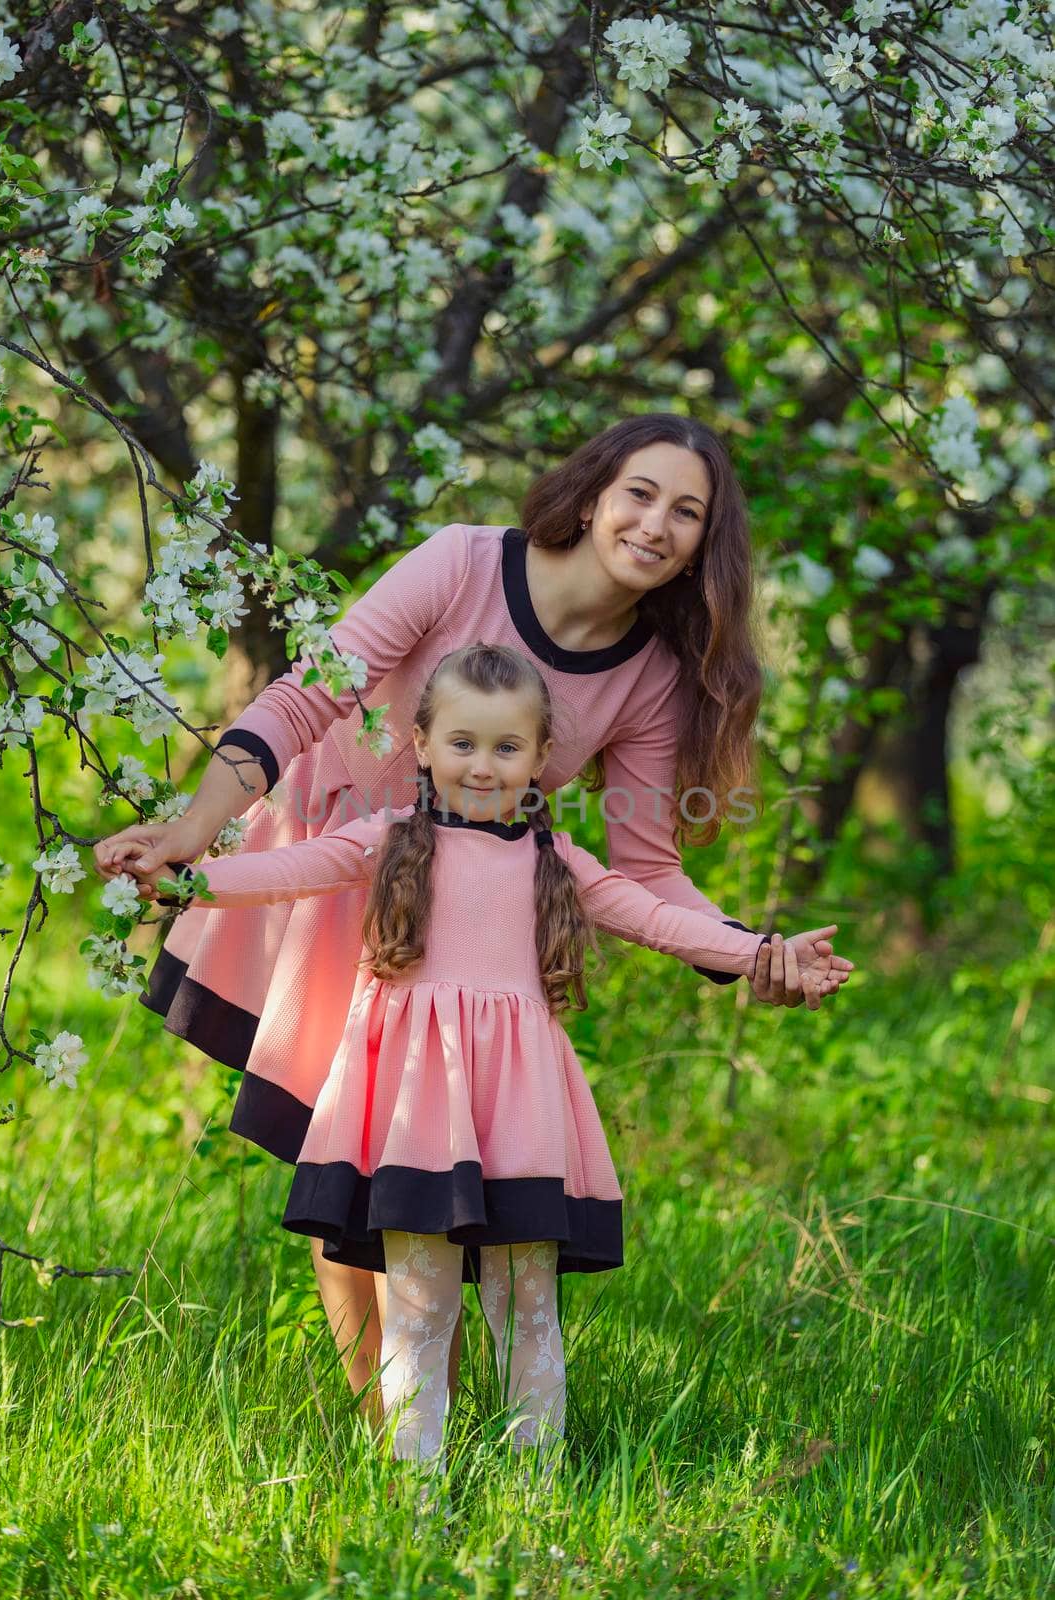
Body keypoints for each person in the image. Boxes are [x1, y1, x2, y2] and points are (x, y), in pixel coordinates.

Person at [93, 414, 854, 1425]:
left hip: (453, 906)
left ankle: (434, 1436)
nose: (655, 523)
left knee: (414, 1177)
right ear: (591, 495)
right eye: (640, 493)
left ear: (702, 547)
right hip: (327, 867)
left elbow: (643, 871)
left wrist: (749, 955)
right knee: (360, 1170)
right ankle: (396, 1440)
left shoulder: (650, 676)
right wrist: (196, 827)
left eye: (687, 512)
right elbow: (310, 693)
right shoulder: (458, 563)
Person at [116, 643, 853, 1502]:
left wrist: (764, 951)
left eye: (507, 748)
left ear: (542, 760)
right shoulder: (387, 841)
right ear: (422, 744)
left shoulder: (555, 862)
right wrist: (188, 880)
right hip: (412, 1116)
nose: (482, 765)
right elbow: (290, 871)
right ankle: (412, 1500)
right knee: (420, 1308)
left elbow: (656, 918)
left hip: (523, 1115)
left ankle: (531, 1501)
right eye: (462, 743)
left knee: (525, 1309)